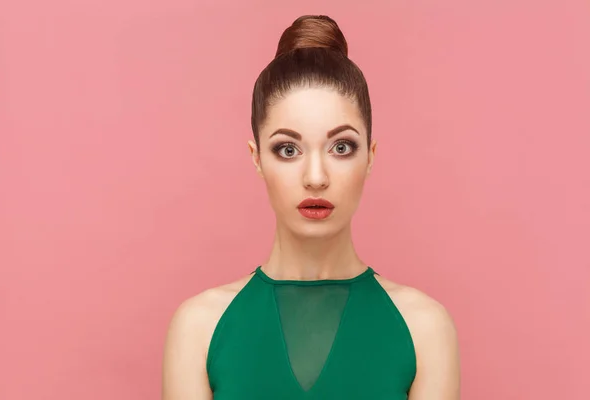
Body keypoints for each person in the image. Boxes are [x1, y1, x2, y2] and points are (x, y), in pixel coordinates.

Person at [162, 15, 460, 400]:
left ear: (370, 156)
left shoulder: (424, 329)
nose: (316, 177)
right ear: (256, 158)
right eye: (288, 149)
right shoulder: (198, 329)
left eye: (341, 147)